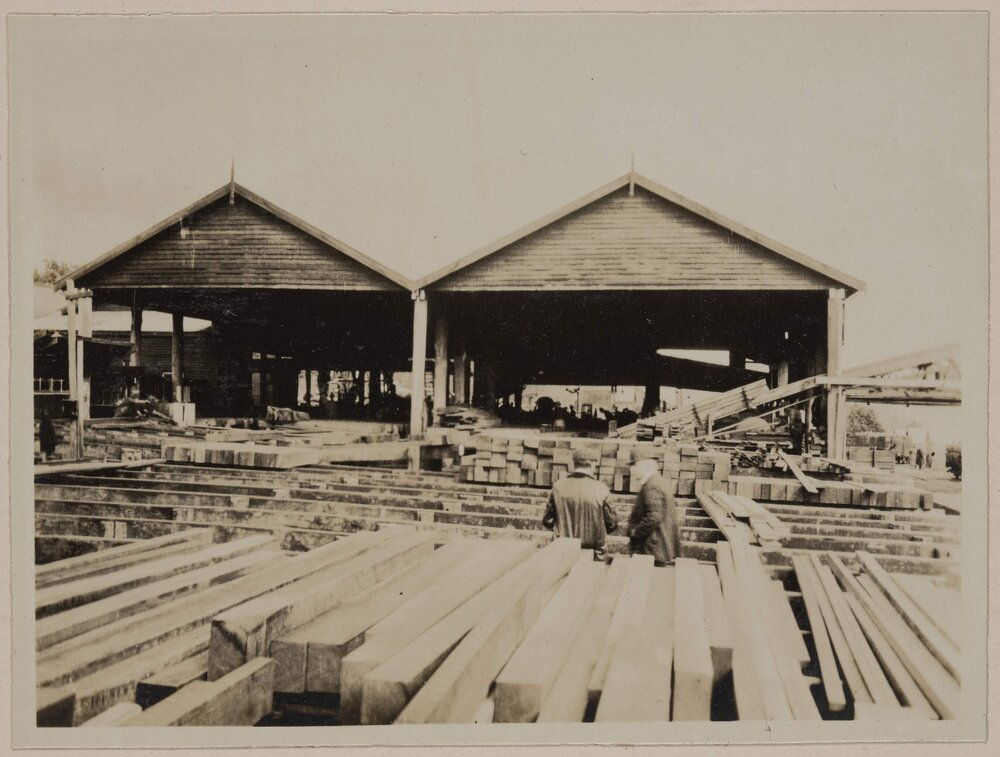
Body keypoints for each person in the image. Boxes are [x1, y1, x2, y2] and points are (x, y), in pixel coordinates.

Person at [543, 447, 616, 561]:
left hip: (563, 551)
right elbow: (612, 524)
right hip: (594, 554)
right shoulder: (602, 489)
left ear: (573, 464)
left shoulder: (558, 487)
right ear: (592, 465)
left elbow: (547, 521)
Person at [627, 448, 680, 566]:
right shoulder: (657, 481)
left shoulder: (652, 486)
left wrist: (634, 531)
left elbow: (654, 517)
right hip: (656, 548)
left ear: (644, 464)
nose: (631, 470)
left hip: (651, 549)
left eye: (634, 465)